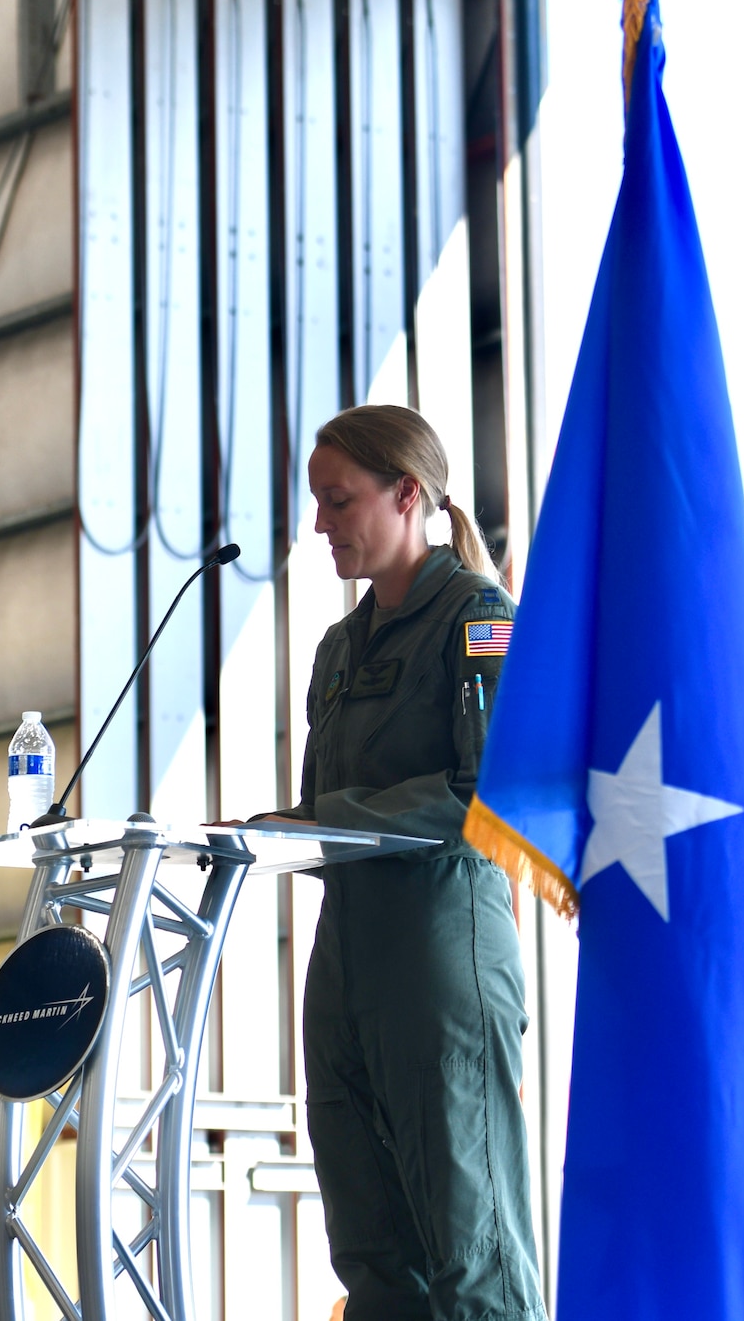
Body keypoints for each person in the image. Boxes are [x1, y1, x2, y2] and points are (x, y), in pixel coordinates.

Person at [255, 404, 545, 1319]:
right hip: (346, 968)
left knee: (475, 1258)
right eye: (316, 502)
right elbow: (320, 808)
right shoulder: (338, 650)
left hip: (437, 966)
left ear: (407, 493)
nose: (319, 525)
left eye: (338, 501)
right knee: (373, 1259)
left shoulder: (480, 621)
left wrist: (317, 819)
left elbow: (493, 800)